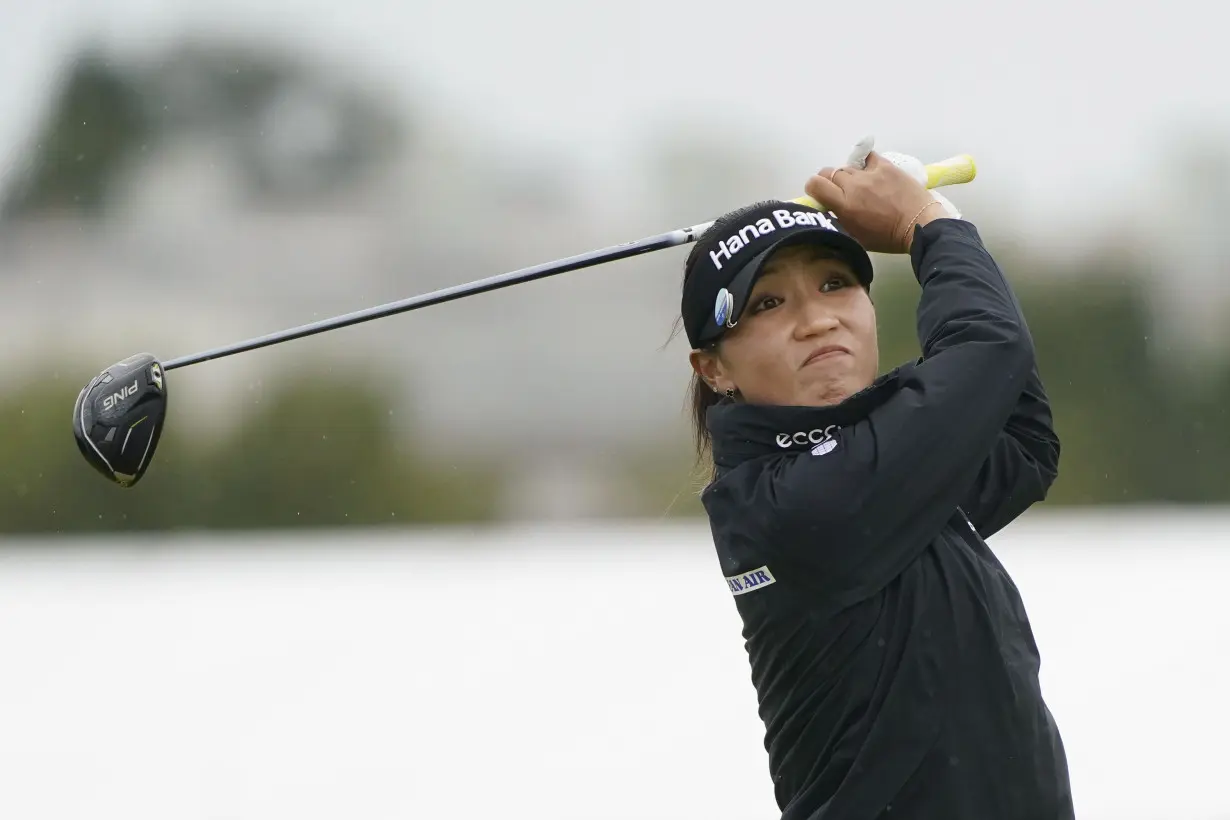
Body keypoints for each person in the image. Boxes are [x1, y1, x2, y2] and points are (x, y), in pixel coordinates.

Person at [677, 151, 1074, 819]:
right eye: (769, 302)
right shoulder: (800, 503)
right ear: (715, 369)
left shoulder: (876, 470)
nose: (817, 319)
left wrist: (933, 226)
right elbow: (987, 352)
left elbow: (1021, 440)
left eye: (835, 284)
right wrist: (927, 221)